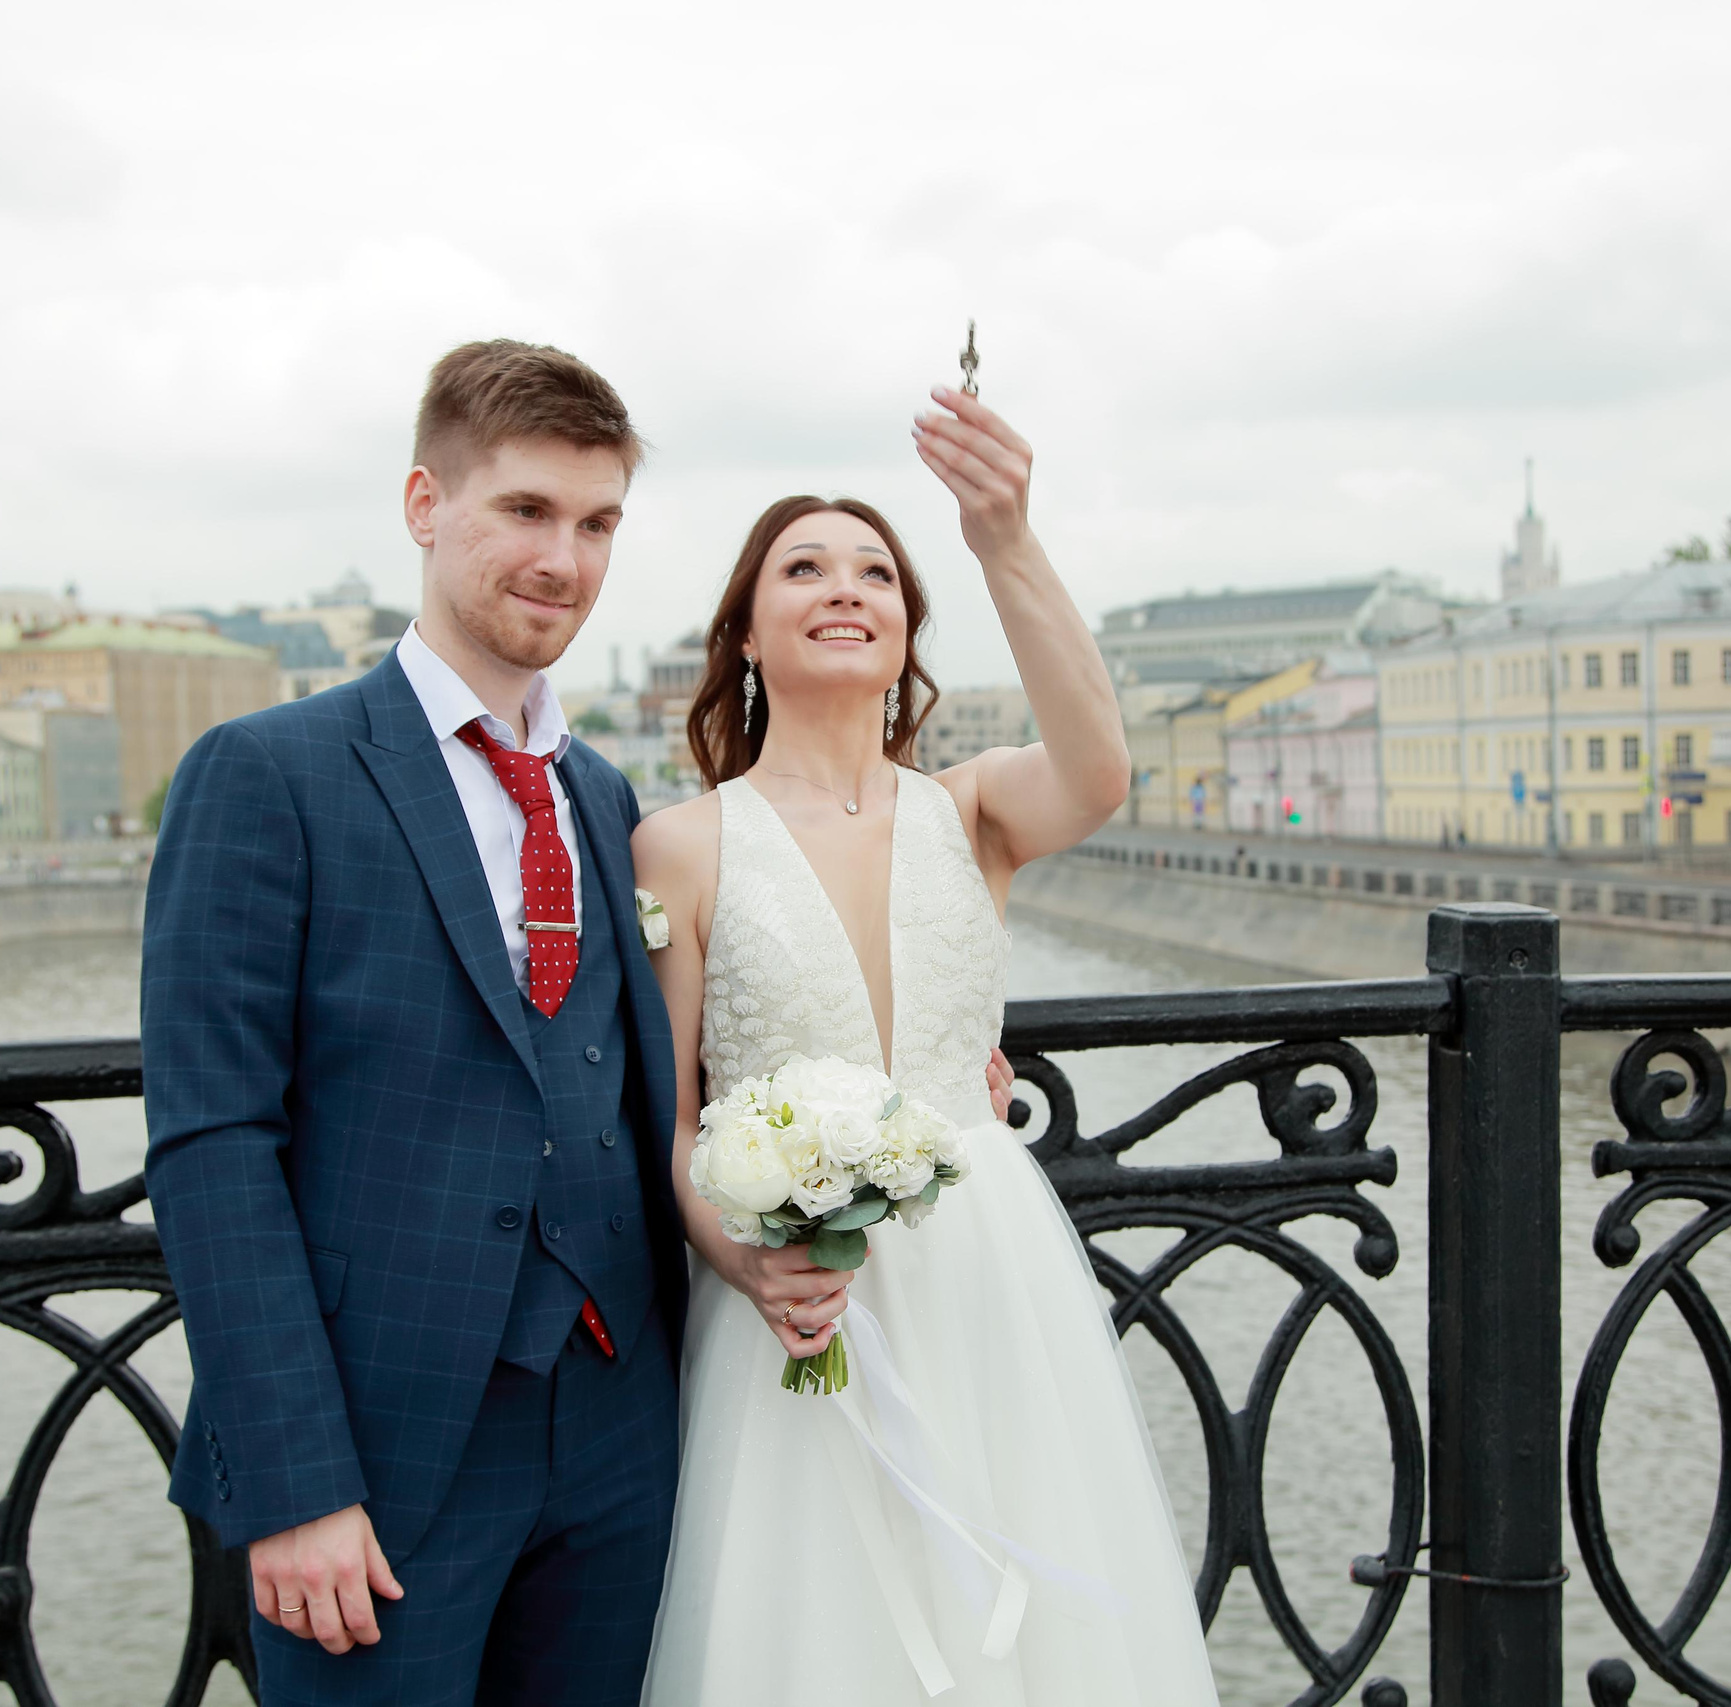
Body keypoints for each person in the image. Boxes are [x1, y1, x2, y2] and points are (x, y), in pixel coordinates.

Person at [631, 388, 1221, 1702]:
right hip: (793, 1304)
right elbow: (669, 1123)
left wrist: (1002, 534)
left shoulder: (976, 810)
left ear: (906, 631)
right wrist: (751, 1264)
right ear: (743, 633)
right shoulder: (683, 845)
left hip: (986, 1283)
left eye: (877, 574)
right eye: (804, 569)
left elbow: (1102, 768)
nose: (845, 588)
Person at [140, 340, 686, 1706]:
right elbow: (213, 1141)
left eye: (598, 522)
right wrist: (294, 1481)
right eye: (526, 511)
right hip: (381, 1450)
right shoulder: (267, 775)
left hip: (623, 1429)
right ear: (424, 504)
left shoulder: (607, 798)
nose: (565, 558)